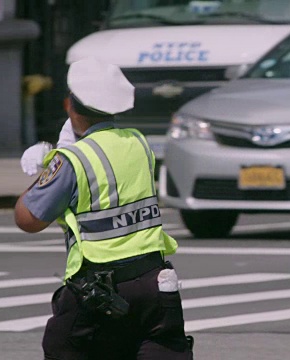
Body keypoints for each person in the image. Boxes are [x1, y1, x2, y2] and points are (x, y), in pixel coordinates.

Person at [14, 57, 193, 360]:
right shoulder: (139, 143)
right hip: (154, 284)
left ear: (69, 105)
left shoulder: (73, 160)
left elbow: (27, 218)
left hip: (99, 290)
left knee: (63, 348)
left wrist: (44, 171)